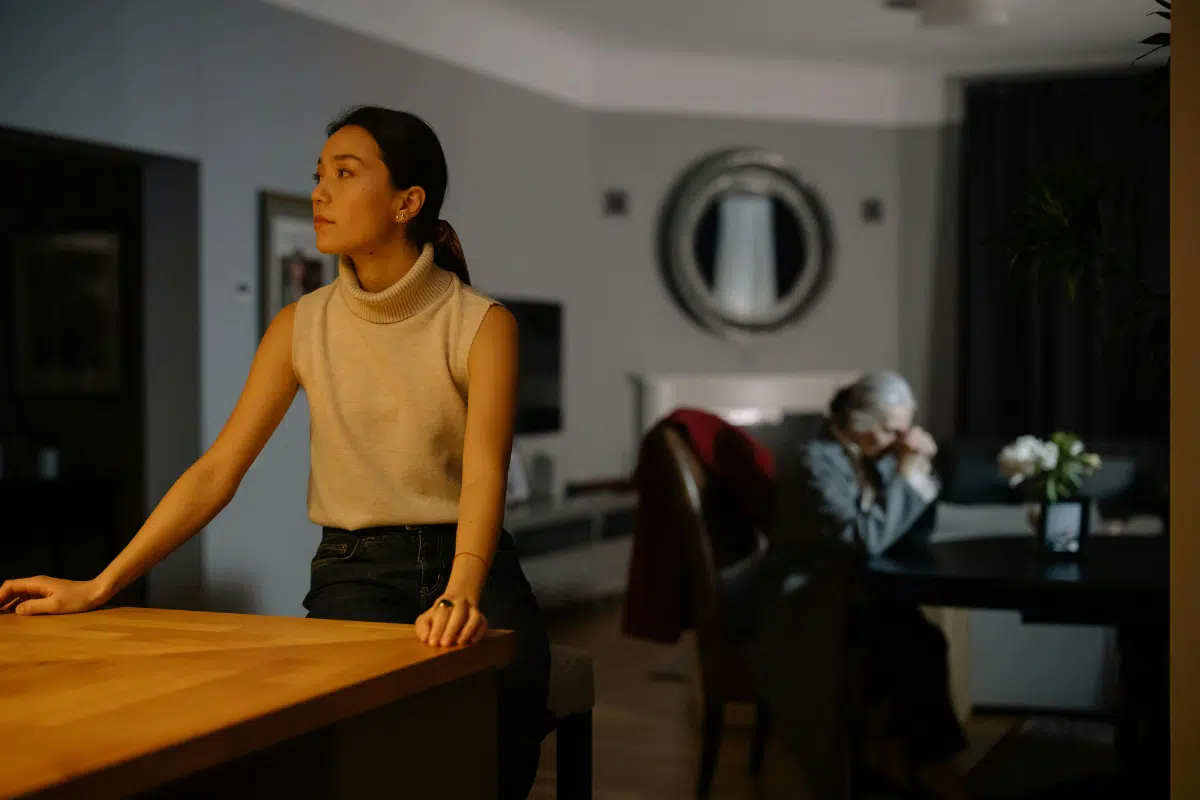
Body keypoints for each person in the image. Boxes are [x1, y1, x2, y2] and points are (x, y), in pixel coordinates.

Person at [0, 106, 551, 800]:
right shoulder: (300, 324)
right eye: (319, 175)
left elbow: (484, 474)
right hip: (356, 570)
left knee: (508, 706)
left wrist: (462, 591)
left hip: (475, 561)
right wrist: (100, 585)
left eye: (344, 175)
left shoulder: (482, 324)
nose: (320, 192)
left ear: (407, 202)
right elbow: (215, 472)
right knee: (349, 752)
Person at [770, 371, 971, 800]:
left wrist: (917, 470)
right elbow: (865, 538)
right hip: (812, 598)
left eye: (906, 429)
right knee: (914, 644)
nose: (903, 440)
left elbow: (910, 533)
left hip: (857, 592)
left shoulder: (871, 454)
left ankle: (905, 758)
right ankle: (922, 765)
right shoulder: (816, 462)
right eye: (892, 431)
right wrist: (907, 475)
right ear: (856, 423)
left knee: (922, 639)